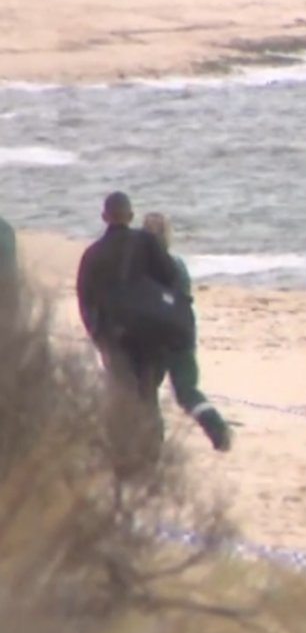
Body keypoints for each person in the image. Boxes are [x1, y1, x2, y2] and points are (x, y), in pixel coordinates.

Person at [77, 192, 182, 460]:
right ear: (132, 216)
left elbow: (85, 299)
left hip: (113, 335)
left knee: (123, 392)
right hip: (148, 333)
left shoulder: (92, 255)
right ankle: (153, 454)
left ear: (104, 217)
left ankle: (124, 452)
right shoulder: (146, 243)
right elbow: (170, 279)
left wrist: (97, 334)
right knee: (148, 393)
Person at [142, 212, 232, 452]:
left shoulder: (138, 268)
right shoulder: (177, 265)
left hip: (153, 336)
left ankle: (153, 442)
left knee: (146, 390)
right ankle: (217, 429)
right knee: (187, 391)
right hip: (181, 331)